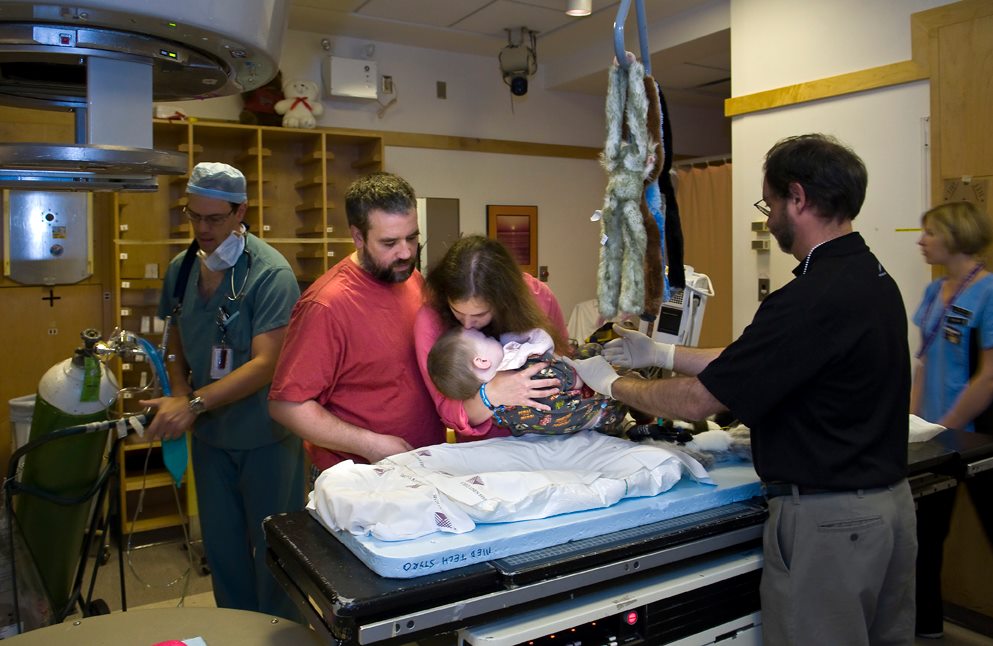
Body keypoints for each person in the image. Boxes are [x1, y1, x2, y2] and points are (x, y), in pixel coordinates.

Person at [568, 134, 917, 646]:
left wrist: (611, 383)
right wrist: (660, 354)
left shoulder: (808, 299)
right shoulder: (872, 277)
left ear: (797, 197)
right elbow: (755, 361)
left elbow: (699, 401)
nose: (770, 217)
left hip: (830, 525)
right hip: (889, 511)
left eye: (769, 203)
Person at [139, 162, 304, 620]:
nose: (203, 229)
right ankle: (236, 631)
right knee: (224, 551)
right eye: (194, 217)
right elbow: (172, 338)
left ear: (240, 212)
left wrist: (192, 403)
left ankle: (279, 633)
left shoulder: (269, 274)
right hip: (211, 438)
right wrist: (176, 391)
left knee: (276, 554)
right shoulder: (182, 268)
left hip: (265, 438)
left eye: (214, 219)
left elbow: (266, 364)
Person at [268, 172, 444, 481]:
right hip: (362, 475)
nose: (405, 252)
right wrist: (370, 444)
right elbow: (287, 406)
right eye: (389, 242)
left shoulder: (409, 276)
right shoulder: (326, 305)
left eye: (412, 238)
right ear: (358, 237)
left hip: (422, 466)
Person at [911, 200, 993, 639]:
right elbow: (923, 363)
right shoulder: (932, 291)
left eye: (931, 233)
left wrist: (949, 427)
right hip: (934, 436)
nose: (922, 242)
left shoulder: (989, 291)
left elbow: (989, 376)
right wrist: (913, 424)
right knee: (924, 537)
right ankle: (927, 630)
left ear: (956, 236)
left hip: (974, 436)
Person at [413, 235, 570, 440]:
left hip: (549, 436)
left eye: (479, 315)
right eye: (457, 312)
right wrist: (492, 395)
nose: (467, 325)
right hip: (485, 447)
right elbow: (449, 410)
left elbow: (565, 360)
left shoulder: (539, 296)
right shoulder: (430, 319)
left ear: (503, 301)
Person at [426, 327, 627, 436]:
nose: (494, 339)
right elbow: (572, 377)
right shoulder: (523, 370)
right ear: (482, 361)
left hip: (594, 423)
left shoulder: (498, 415)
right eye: (485, 338)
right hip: (602, 409)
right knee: (605, 361)